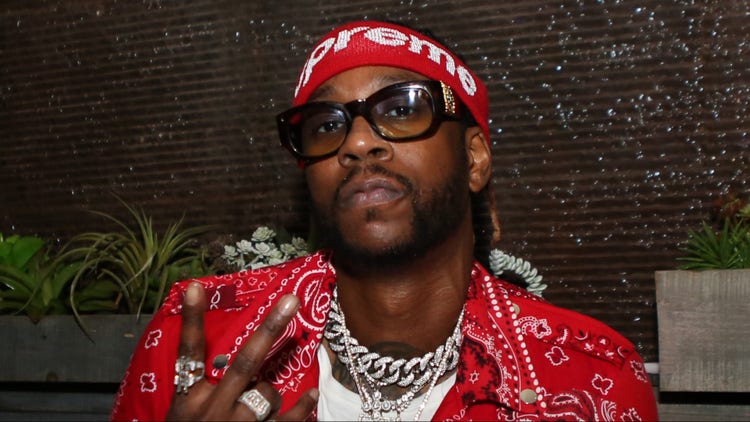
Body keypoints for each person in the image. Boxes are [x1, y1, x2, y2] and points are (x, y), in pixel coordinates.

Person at [111, 20, 658, 421]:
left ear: (473, 159)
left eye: (401, 109)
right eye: (326, 125)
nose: (357, 142)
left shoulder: (592, 376)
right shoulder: (200, 334)